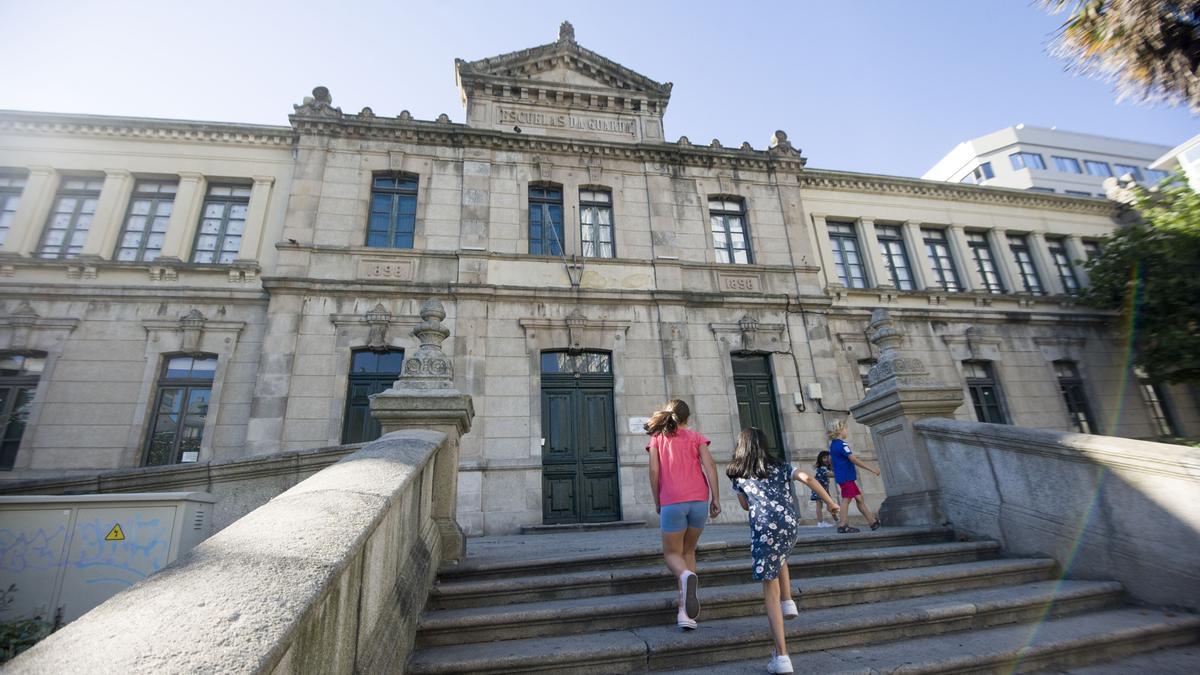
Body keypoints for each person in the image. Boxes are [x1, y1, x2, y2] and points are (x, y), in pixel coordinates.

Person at [728, 427, 840, 674]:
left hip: (764, 527)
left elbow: (746, 506)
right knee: (780, 556)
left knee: (769, 588)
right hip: (790, 523)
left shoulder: (737, 473)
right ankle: (788, 601)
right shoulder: (781, 466)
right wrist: (831, 503)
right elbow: (808, 478)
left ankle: (782, 656)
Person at [644, 399, 721, 630]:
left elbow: (654, 470)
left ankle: (685, 577)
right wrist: (715, 498)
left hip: (673, 501)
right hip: (699, 500)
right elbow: (710, 465)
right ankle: (685, 613)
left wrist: (657, 500)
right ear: (688, 417)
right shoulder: (697, 437)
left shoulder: (657, 439)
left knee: (671, 554)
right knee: (688, 551)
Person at [826, 418, 881, 534]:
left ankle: (872, 522)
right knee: (847, 499)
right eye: (845, 429)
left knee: (859, 499)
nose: (847, 431)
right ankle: (843, 524)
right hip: (847, 477)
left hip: (844, 477)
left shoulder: (833, 445)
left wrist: (835, 469)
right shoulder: (842, 444)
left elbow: (830, 459)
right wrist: (871, 468)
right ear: (840, 430)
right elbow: (853, 459)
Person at [810, 451, 836, 527]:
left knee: (830, 504)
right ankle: (820, 522)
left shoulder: (826, 468)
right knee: (819, 505)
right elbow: (830, 475)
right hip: (819, 489)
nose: (827, 459)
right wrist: (841, 472)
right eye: (824, 458)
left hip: (824, 489)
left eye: (828, 457)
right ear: (820, 460)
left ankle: (836, 520)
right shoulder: (821, 468)